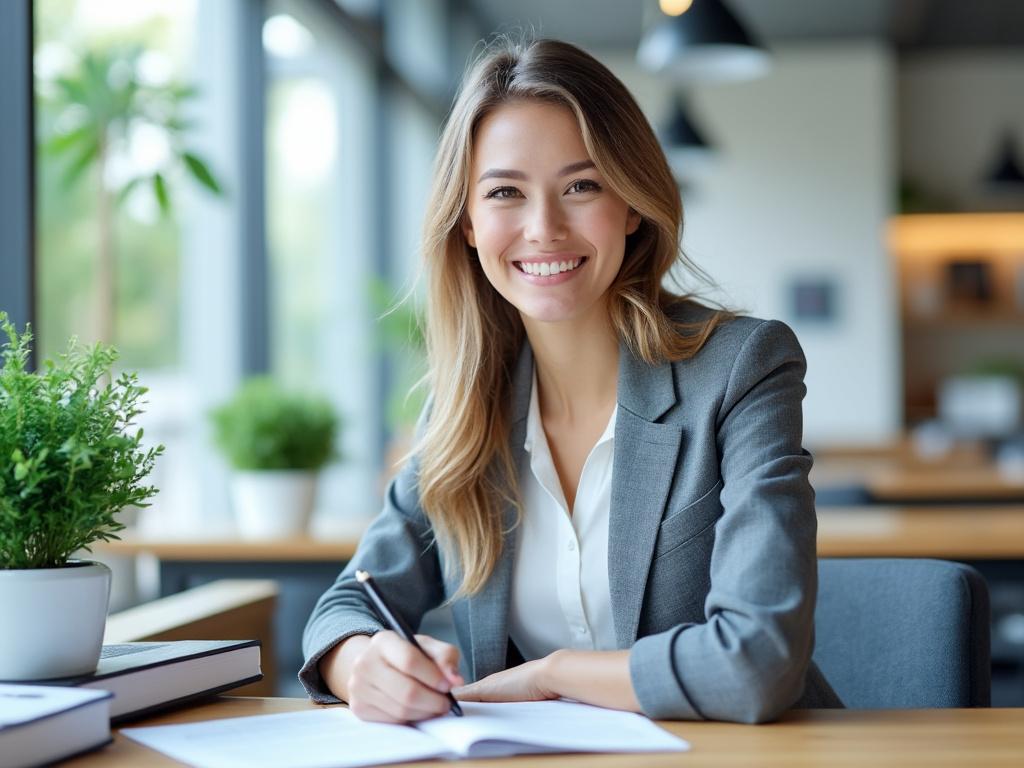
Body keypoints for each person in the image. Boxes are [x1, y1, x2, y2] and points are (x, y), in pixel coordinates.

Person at [299, 37, 842, 725]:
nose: (544, 228)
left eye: (581, 186)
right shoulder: (464, 408)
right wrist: (359, 664)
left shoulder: (741, 367)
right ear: (467, 222)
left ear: (633, 203)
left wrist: (551, 676)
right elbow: (350, 603)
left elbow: (757, 664)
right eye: (504, 193)